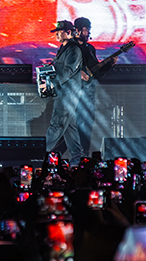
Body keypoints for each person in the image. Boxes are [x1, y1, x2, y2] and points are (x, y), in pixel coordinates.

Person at [42, 20, 85, 164]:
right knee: (70, 128)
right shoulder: (64, 48)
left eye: (59, 32)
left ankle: (41, 155)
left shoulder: (73, 50)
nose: (56, 35)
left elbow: (67, 72)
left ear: (68, 32)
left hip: (68, 94)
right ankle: (77, 160)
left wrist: (50, 83)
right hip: (65, 93)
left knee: (57, 125)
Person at [73, 17, 110, 156]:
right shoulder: (69, 48)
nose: (88, 32)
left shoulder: (90, 48)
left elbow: (97, 73)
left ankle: (85, 154)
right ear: (77, 30)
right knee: (75, 125)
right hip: (74, 93)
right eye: (86, 29)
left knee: (87, 123)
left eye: (89, 29)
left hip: (89, 92)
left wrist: (108, 65)